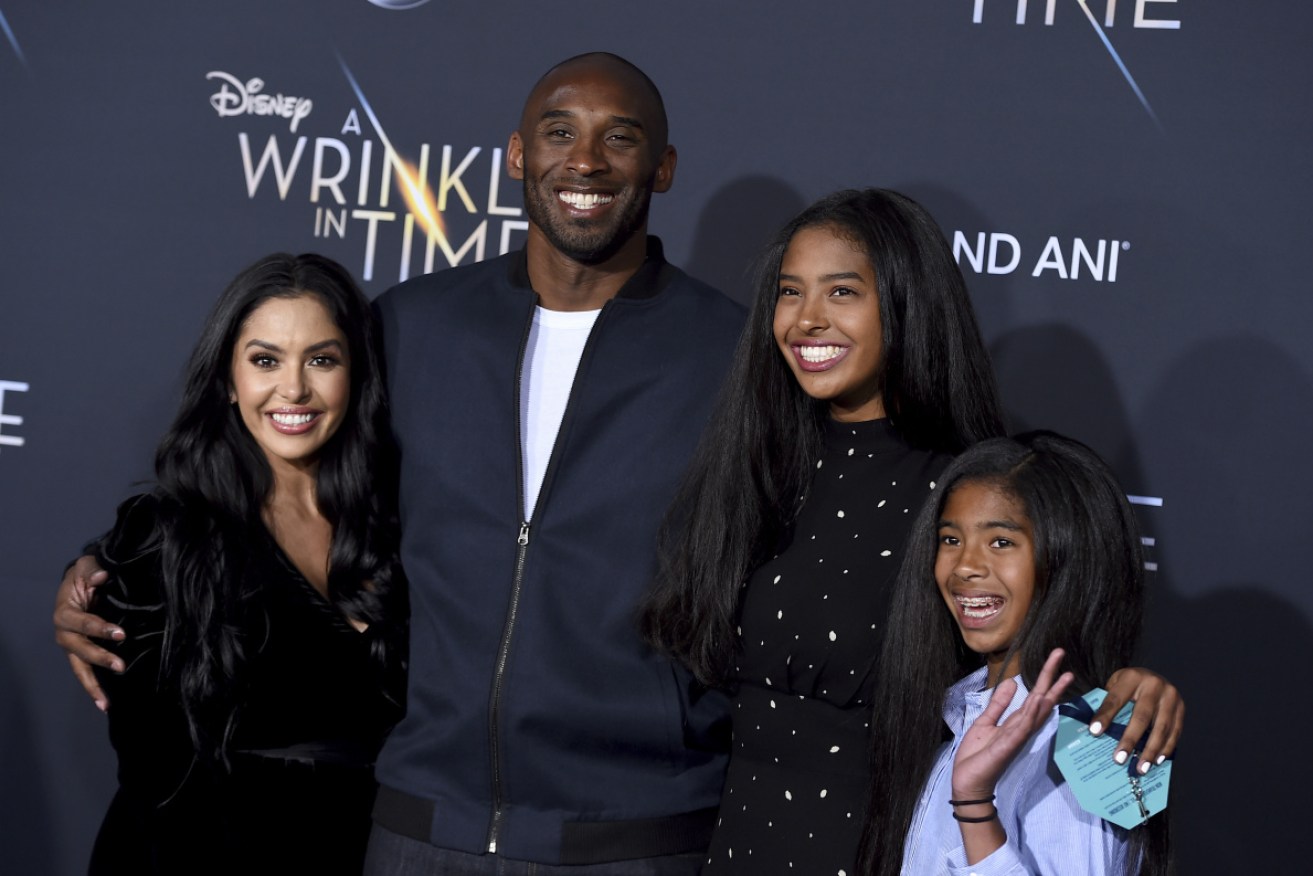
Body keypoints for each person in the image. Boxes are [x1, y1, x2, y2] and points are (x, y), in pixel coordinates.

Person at [58, 53, 746, 873]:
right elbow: (294, 473)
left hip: (633, 833)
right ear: (517, 155)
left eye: (620, 138)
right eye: (559, 133)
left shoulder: (734, 356)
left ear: (662, 167)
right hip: (418, 831)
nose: (586, 161)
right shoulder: (413, 327)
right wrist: (113, 569)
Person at [641, 189, 1182, 874]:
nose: (807, 320)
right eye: (788, 292)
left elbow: (1058, 667)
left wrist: (1132, 693)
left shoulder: (970, 490)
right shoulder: (753, 468)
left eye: (841, 292)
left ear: (902, 301)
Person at [82, 253, 405, 874]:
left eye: (322, 359)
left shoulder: (401, 527)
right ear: (228, 380)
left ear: (355, 373)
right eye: (265, 360)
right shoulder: (166, 536)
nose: (294, 389)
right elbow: (156, 773)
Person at [864, 432, 1173, 875]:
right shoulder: (953, 713)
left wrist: (975, 808)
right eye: (950, 539)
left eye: (1001, 542)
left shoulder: (1099, 738)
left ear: (1069, 558)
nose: (965, 565)